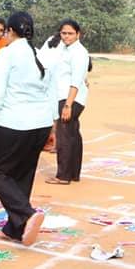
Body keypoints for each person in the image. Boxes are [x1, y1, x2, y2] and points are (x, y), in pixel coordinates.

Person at [0, 11, 54, 246]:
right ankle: (15, 228)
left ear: (10, 31)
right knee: (22, 173)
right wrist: (52, 127)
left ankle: (26, 214)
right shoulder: (40, 54)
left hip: (14, 122)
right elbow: (51, 92)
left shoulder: (7, 53)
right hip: (40, 124)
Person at [44, 20, 88, 185]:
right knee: (73, 133)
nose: (66, 36)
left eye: (70, 33)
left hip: (70, 98)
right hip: (65, 96)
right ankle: (73, 173)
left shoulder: (79, 52)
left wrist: (68, 104)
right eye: (64, 33)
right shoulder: (64, 48)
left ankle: (63, 175)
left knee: (64, 136)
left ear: (78, 34)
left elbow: (76, 80)